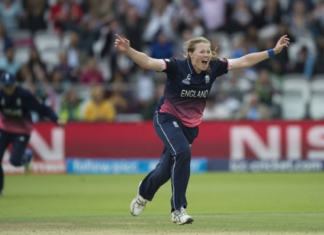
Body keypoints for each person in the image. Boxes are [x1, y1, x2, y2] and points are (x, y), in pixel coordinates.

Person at [114, 33, 289, 225]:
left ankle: (143, 192)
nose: (207, 54)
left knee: (165, 170)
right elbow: (148, 62)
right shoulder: (176, 66)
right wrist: (129, 50)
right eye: (202, 51)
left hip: (190, 127)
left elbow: (244, 61)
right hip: (166, 118)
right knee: (183, 152)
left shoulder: (214, 67)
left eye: (208, 51)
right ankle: (178, 210)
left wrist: (274, 51)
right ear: (190, 54)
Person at [0, 72, 66, 197]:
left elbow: (43, 108)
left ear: (16, 84)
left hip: (22, 131)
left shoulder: (24, 95)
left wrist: (56, 120)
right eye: (6, 87)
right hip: (3, 129)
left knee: (14, 161)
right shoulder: (1, 94)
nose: (8, 90)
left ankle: (27, 157)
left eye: (10, 86)